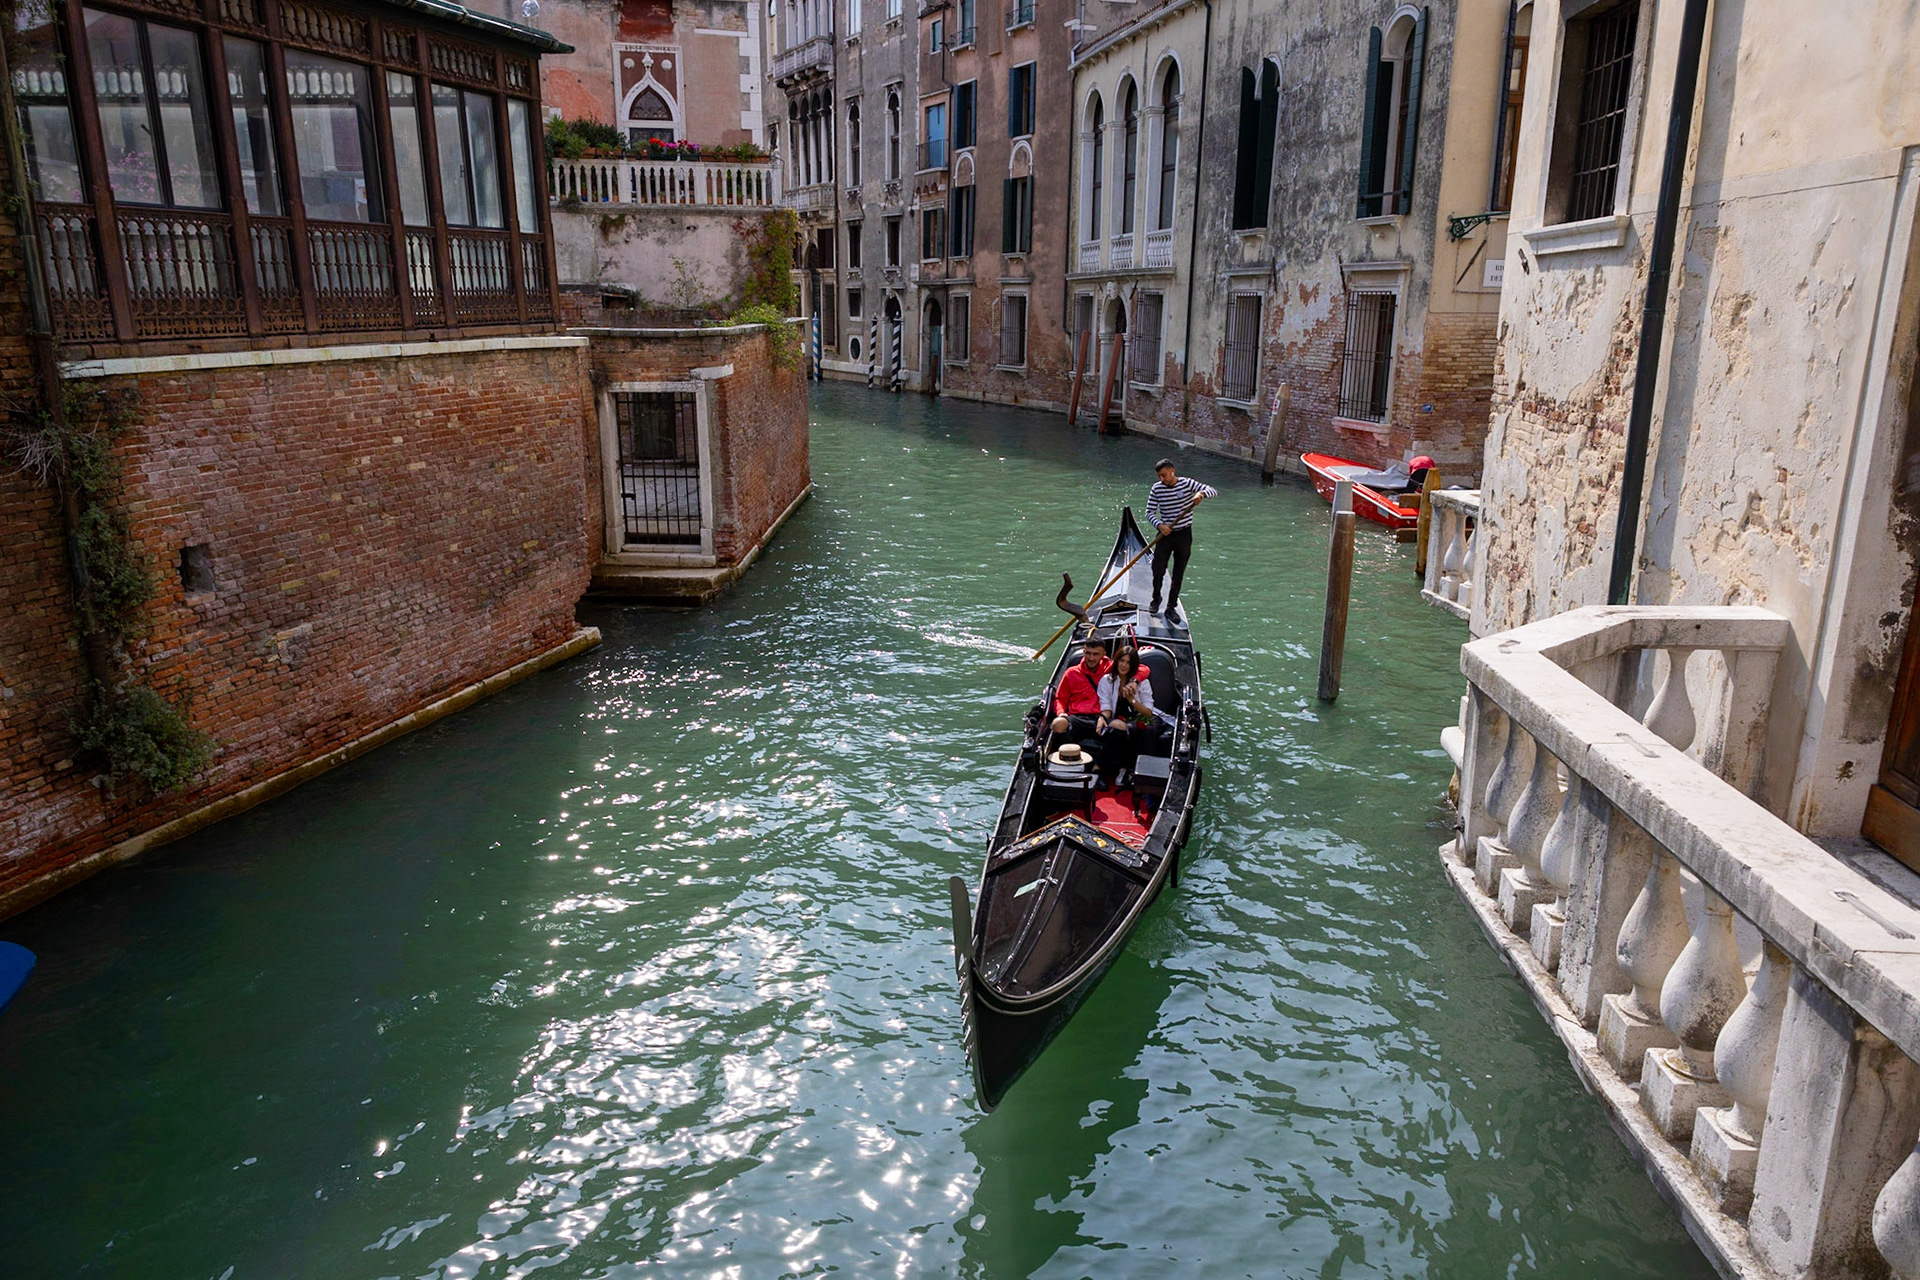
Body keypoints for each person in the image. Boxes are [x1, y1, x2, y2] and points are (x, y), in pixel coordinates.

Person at [1146, 459, 1217, 618]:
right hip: (1165, 534)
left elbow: (1213, 490)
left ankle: (1171, 607)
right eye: (1159, 476)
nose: (1161, 479)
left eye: (1164, 475)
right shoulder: (1157, 488)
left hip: (1184, 535)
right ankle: (1156, 598)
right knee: (1157, 569)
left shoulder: (1187, 483)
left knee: (1178, 572)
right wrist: (1159, 525)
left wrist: (1201, 494)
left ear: (1172, 471)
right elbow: (1149, 512)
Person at [1095, 644, 1164, 786]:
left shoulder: (1142, 682)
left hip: (1142, 716)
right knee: (1119, 727)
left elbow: (1148, 711)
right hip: (1119, 717)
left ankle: (1144, 774)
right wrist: (1102, 718)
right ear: (1117, 661)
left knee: (1148, 730)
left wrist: (1131, 699)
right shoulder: (1107, 681)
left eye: (1128, 663)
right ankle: (1104, 768)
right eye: (1122, 661)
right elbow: (1106, 706)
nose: (1124, 665)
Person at [1050, 638, 1110, 754]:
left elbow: (1143, 669)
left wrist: (1135, 681)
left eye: (1095, 654)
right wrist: (1061, 713)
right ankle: (1068, 757)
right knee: (1058, 724)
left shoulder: (1111, 669)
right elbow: (1060, 699)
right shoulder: (1071, 673)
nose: (1091, 658)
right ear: (1084, 652)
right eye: (1088, 653)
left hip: (1101, 717)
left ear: (1103, 654)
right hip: (1077, 718)